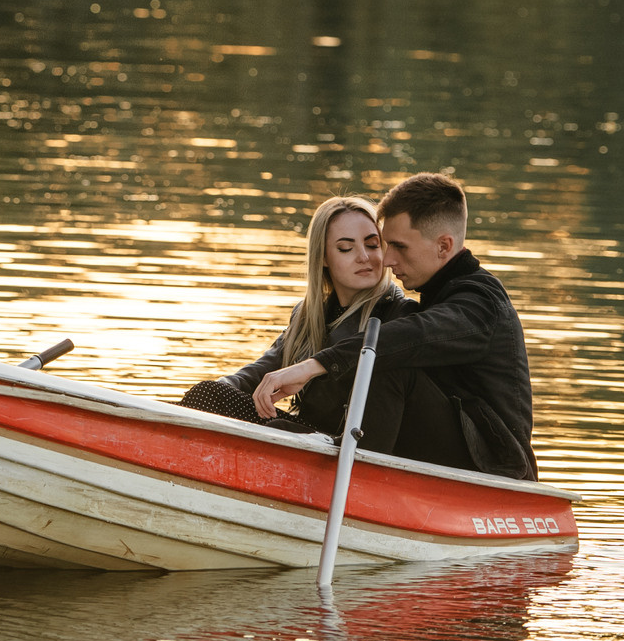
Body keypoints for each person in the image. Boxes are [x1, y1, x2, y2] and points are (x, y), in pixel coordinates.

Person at [251, 172, 539, 480]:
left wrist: (316, 364)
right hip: (444, 449)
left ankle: (355, 474)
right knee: (221, 399)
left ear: (443, 246)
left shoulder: (479, 303)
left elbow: (413, 335)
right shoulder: (439, 293)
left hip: (497, 467)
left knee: (386, 358)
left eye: (398, 246)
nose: (386, 259)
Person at [178, 195, 410, 432]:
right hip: (304, 433)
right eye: (346, 248)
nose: (364, 257)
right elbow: (260, 371)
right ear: (323, 257)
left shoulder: (400, 313)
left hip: (346, 445)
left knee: (209, 396)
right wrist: (218, 388)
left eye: (373, 245)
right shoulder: (308, 315)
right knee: (208, 394)